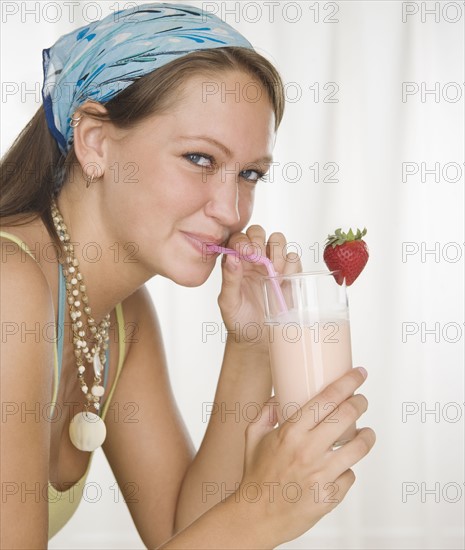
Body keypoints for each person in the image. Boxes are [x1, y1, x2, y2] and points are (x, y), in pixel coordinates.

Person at [0, 3, 376, 548]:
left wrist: (249, 346)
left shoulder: (119, 316)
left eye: (249, 174)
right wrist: (264, 511)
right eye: (200, 158)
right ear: (95, 143)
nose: (231, 209)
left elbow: (181, 529)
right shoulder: (10, 285)